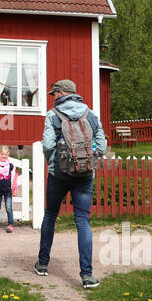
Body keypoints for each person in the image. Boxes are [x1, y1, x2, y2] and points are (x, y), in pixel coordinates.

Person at [34, 79, 105, 288]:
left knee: (50, 215)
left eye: (54, 93)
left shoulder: (52, 115)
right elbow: (101, 145)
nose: (53, 97)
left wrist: (53, 163)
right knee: (83, 221)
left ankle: (43, 264)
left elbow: (47, 144)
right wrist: (88, 159)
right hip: (84, 176)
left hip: (59, 174)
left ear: (62, 92)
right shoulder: (90, 114)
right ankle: (87, 275)